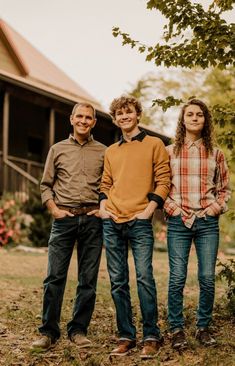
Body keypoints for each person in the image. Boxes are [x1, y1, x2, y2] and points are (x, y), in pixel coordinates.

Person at [99, 95, 170, 359]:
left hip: (140, 220)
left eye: (129, 112)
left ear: (137, 115)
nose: (124, 117)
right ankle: (126, 336)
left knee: (144, 278)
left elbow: (163, 180)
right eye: (119, 114)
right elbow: (105, 183)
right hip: (113, 222)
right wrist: (104, 206)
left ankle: (151, 336)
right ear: (115, 119)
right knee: (118, 282)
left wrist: (149, 210)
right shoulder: (111, 151)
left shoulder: (154, 144)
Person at [31, 102, 106, 351]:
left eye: (89, 117)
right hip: (64, 219)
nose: (84, 121)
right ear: (72, 119)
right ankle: (48, 332)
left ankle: (78, 329)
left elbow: (110, 185)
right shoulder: (57, 149)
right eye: (80, 116)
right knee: (54, 277)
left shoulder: (104, 151)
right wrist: (53, 209)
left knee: (88, 279)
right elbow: (45, 184)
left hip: (93, 220)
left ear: (94, 122)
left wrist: (102, 208)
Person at [164, 99, 230, 350]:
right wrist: (175, 210)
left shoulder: (216, 153)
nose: (194, 118)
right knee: (177, 277)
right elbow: (161, 188)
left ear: (205, 120)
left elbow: (224, 190)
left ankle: (203, 327)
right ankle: (176, 329)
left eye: (199, 115)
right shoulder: (170, 152)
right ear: (182, 119)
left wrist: (213, 209)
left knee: (206, 278)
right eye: (189, 114)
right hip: (179, 221)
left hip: (207, 223)